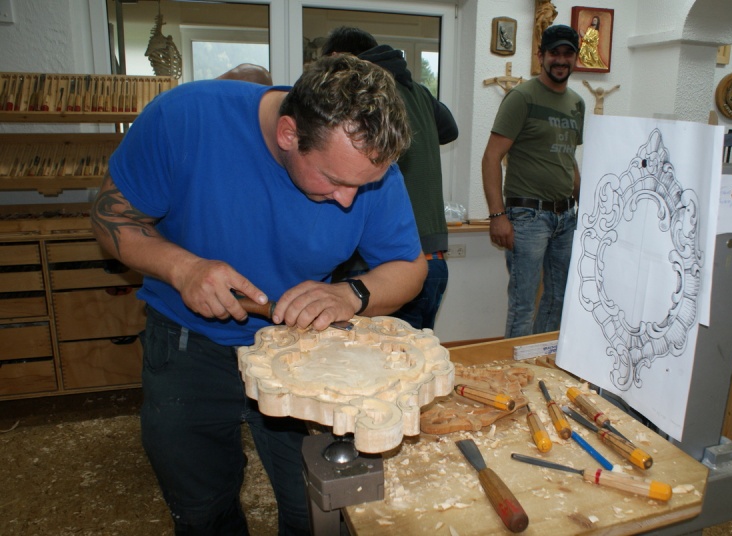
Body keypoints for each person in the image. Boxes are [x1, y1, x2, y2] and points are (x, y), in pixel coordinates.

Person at [90, 54, 426, 535]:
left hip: (302, 352)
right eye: (334, 181)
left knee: (317, 508)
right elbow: (111, 217)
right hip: (190, 347)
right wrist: (182, 268)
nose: (349, 200)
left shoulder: (367, 166)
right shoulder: (184, 119)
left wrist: (351, 293)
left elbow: (409, 267)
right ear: (289, 134)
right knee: (203, 510)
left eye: (363, 185)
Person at [322, 27, 459, 330]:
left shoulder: (360, 98)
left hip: (382, 270)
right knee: (414, 353)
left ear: (338, 58)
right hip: (434, 258)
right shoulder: (418, 92)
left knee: (372, 355)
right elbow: (450, 129)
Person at [482, 24, 585, 338]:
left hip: (566, 217)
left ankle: (541, 361)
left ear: (576, 58)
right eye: (554, 53)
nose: (561, 60)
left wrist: (588, 208)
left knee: (558, 299)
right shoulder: (521, 98)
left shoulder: (577, 104)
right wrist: (497, 216)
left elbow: (568, 160)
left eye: (568, 54)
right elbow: (491, 158)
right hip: (528, 218)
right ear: (541, 56)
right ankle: (516, 366)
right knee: (523, 304)